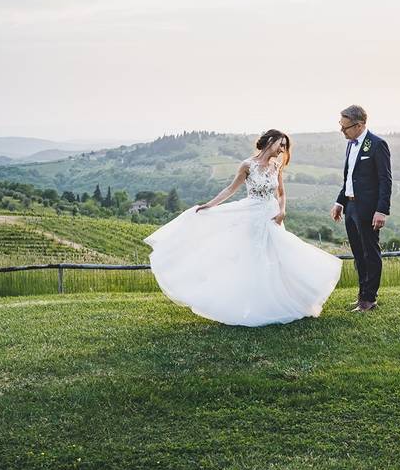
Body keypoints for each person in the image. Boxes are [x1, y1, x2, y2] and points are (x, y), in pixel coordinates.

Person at [143, 129, 342, 327]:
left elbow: (281, 193)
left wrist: (282, 211)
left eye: (285, 146)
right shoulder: (248, 165)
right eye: (281, 144)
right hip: (252, 216)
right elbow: (231, 189)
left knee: (277, 257)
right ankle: (252, 306)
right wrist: (210, 205)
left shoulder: (276, 166)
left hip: (272, 216)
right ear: (270, 141)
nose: (283, 150)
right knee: (254, 258)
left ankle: (282, 301)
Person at [330, 105, 392, 312]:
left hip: (368, 209)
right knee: (358, 253)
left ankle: (369, 299)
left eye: (345, 127)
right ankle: (362, 295)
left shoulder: (377, 144)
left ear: (360, 125)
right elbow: (349, 177)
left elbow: (385, 180)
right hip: (351, 207)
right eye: (341, 126)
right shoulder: (350, 144)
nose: (342, 131)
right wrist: (340, 202)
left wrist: (382, 210)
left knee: (370, 253)